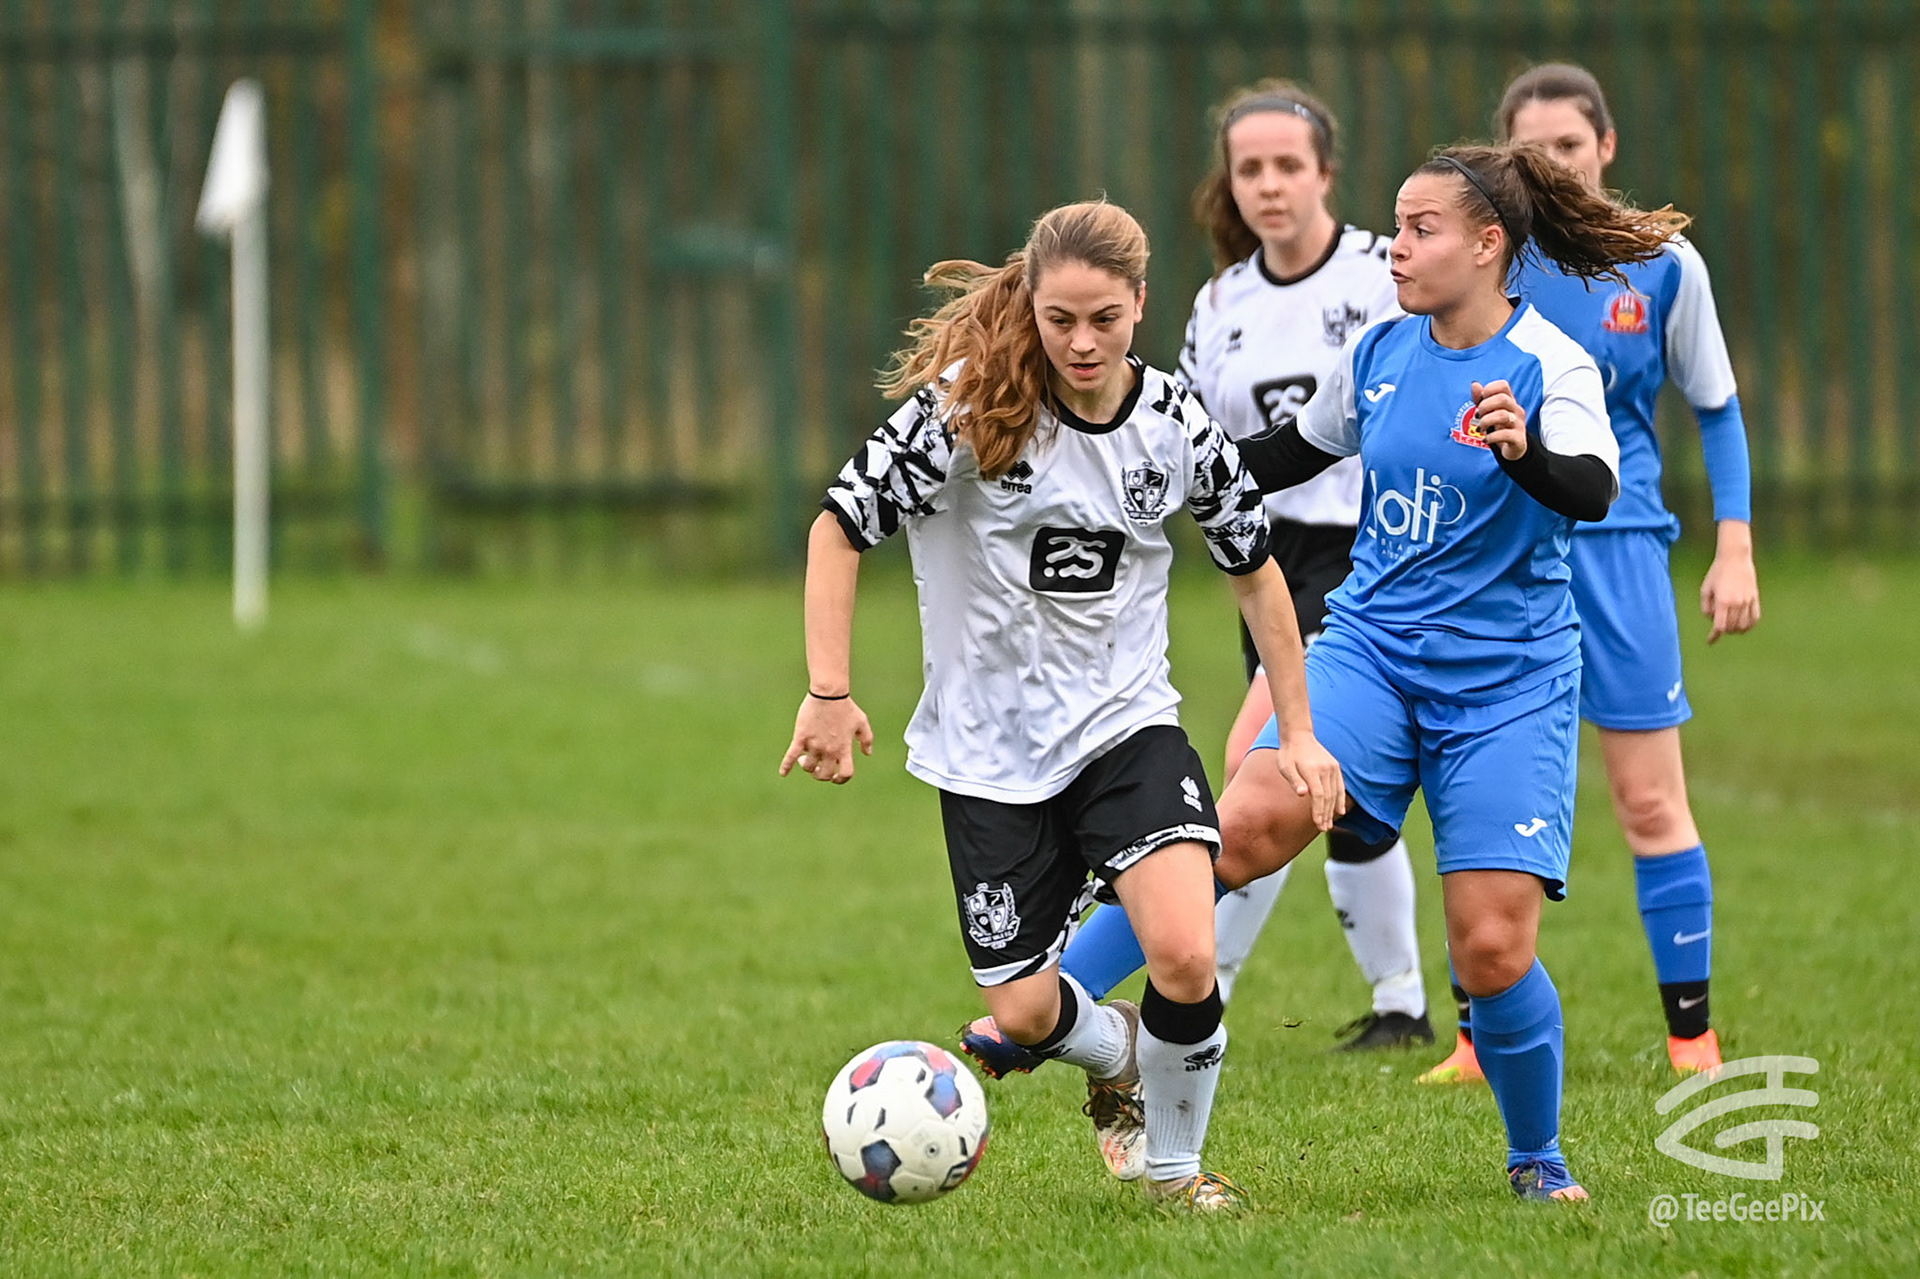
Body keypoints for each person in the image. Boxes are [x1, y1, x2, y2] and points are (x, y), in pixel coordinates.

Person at [968, 144, 1687, 1201]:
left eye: (1422, 230)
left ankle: (1537, 1157)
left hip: (1507, 683)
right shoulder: (1384, 351)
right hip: (1371, 649)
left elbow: (1590, 488)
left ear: (1488, 245)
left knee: (1491, 950)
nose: (1397, 248)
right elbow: (1278, 458)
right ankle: (1038, 1013)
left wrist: (1523, 451)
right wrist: (1147, 456)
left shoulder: (1551, 364)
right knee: (1239, 826)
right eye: (1397, 226)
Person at [781, 200, 1344, 1213]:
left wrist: (1296, 731)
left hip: (1127, 727)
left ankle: (1175, 1171)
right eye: (1060, 320)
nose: (1082, 342)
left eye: (1104, 319)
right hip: (987, 753)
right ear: (1031, 308)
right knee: (1026, 1013)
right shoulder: (968, 409)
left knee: (1185, 950)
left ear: (1140, 304)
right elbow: (839, 525)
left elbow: (1257, 571)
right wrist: (829, 690)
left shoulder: (1174, 423)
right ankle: (1113, 1047)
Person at [1021, 80, 1432, 1051]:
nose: (1269, 185)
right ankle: (1397, 1003)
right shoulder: (1221, 303)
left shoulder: (1384, 273)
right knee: (1320, 793)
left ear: (1326, 172)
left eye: (1288, 165)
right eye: (1250, 169)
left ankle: (1193, 989)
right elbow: (1191, 439)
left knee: (1261, 770)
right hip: (1265, 558)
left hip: (1363, 554)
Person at [1419, 64, 1760, 1087]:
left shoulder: (1662, 264)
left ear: (1604, 147)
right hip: (1496, 552)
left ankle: (1691, 1036)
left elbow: (1716, 406)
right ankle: (1475, 1039)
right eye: (1530, 151)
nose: (1553, 164)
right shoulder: (1487, 258)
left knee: (1650, 801)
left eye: (1568, 146)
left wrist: (1734, 543)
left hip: (1618, 551)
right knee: (1477, 797)